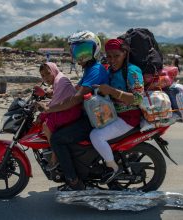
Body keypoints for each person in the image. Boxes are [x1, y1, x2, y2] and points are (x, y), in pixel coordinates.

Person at [43, 31, 109, 190]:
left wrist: (50, 108)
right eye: (77, 50)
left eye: (85, 50)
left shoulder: (95, 70)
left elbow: (76, 98)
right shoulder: (90, 68)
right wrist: (50, 94)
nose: (81, 54)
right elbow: (75, 89)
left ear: (95, 49)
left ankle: (73, 180)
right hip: (90, 114)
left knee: (57, 138)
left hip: (94, 118)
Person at [90, 39, 144, 184]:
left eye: (116, 56)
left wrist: (112, 91)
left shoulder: (132, 71)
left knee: (96, 136)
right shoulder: (109, 70)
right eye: (109, 56)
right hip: (112, 114)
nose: (112, 60)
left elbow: (138, 98)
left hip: (128, 118)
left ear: (124, 54)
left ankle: (114, 168)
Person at [36, 62, 82, 170]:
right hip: (68, 109)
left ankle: (54, 155)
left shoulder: (60, 81)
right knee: (46, 118)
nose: (46, 78)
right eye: (43, 75)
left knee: (46, 125)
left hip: (70, 111)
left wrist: (42, 115)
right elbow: (56, 99)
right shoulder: (58, 79)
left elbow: (54, 104)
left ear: (53, 70)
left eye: (48, 73)